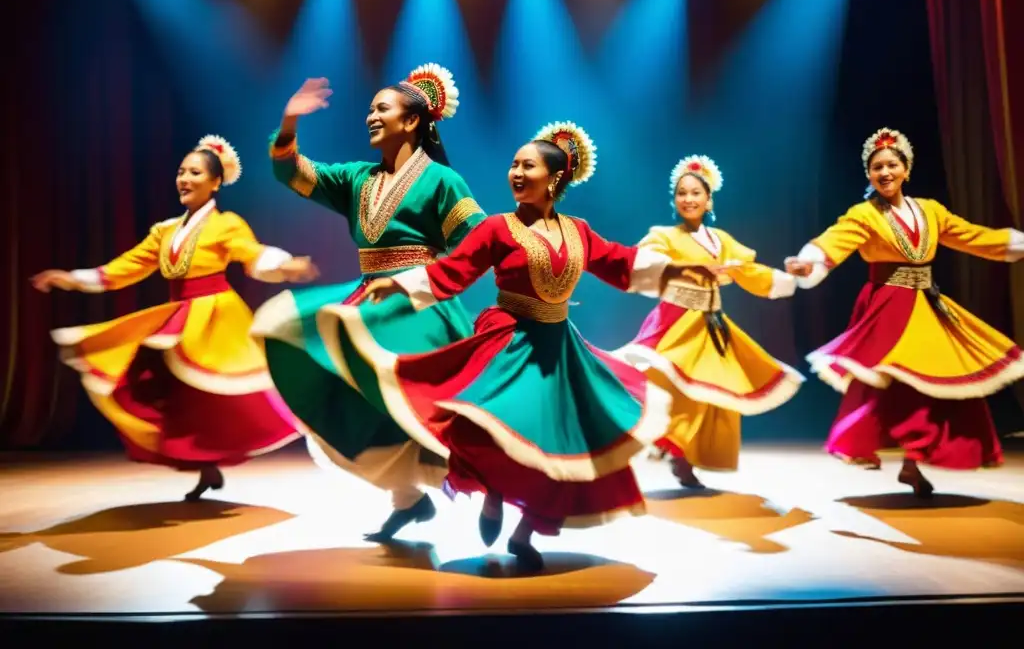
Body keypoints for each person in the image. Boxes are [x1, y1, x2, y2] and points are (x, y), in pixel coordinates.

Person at [328, 121, 704, 571]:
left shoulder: (578, 231)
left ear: (555, 178)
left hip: (559, 349)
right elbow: (455, 269)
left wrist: (676, 272)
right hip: (508, 339)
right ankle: (494, 494)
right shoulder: (496, 228)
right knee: (484, 430)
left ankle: (527, 532)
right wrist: (400, 284)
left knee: (564, 446)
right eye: (513, 165)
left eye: (528, 165)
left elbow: (618, 262)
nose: (517, 173)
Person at [250, 64, 486, 541]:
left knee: (424, 409)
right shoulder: (357, 178)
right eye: (370, 109)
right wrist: (291, 120)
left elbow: (479, 245)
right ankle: (408, 499)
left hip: (418, 306)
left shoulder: (442, 181)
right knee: (312, 351)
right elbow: (291, 172)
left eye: (382, 108)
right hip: (370, 299)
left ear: (413, 120)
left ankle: (489, 490)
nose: (370, 117)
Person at [31, 136, 318, 500]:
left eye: (195, 172)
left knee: (224, 393)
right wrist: (71, 278)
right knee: (166, 390)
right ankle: (205, 466)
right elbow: (125, 268)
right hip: (179, 315)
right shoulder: (164, 231)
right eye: (181, 172)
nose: (184, 178)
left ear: (215, 182)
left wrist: (284, 265)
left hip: (215, 317)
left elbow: (251, 253)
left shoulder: (226, 224)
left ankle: (221, 456)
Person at [784, 128, 1024, 495]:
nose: (885, 172)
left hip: (926, 304)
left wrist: (1014, 243)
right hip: (887, 306)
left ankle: (913, 463)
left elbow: (972, 236)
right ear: (869, 175)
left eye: (892, 165)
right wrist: (808, 262)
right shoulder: (864, 215)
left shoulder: (930, 211)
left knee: (932, 378)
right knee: (893, 383)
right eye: (877, 167)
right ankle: (879, 446)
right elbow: (834, 240)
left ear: (906, 170)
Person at [614, 155, 804, 489]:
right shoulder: (665, 236)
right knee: (677, 389)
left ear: (708, 199)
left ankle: (685, 455)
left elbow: (749, 272)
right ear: (674, 200)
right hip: (676, 324)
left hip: (712, 323)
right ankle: (674, 450)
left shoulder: (721, 240)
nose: (688, 199)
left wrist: (787, 278)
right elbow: (644, 260)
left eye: (695, 193)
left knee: (715, 393)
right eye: (681, 193)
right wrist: (680, 270)